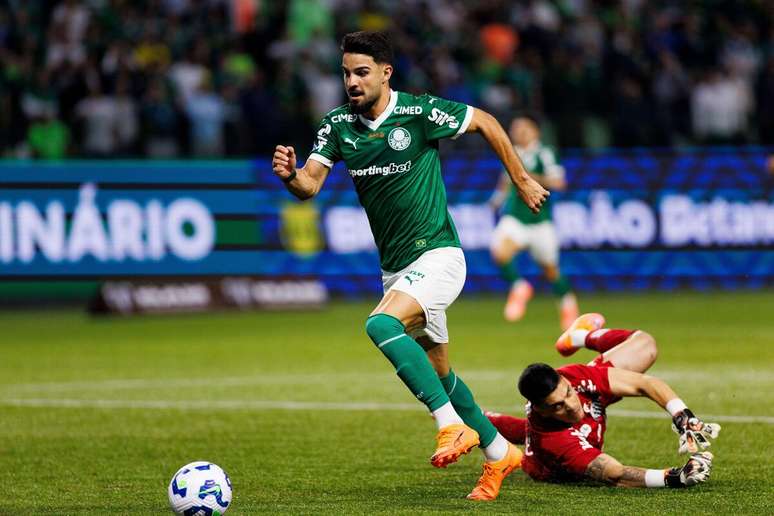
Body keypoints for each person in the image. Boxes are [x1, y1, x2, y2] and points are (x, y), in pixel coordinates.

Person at [272, 31, 549, 501]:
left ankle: (449, 426)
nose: (352, 82)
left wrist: (521, 179)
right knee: (440, 374)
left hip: (439, 255)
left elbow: (484, 121)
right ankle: (501, 451)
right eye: (345, 73)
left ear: (385, 72)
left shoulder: (418, 113)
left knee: (380, 324)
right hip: (397, 269)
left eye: (361, 72)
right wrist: (291, 176)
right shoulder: (338, 125)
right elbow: (310, 185)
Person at [485, 313, 721, 487]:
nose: (572, 405)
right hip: (546, 460)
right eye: (558, 406)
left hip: (573, 406)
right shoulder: (555, 442)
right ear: (539, 410)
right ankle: (472, 420)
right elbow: (614, 473)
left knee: (645, 345)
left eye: (567, 393)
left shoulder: (573, 378)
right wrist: (673, 477)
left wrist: (682, 415)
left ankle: (579, 336)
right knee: (510, 430)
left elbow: (644, 383)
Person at [489, 114, 578, 329]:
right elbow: (505, 183)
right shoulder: (512, 152)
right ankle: (519, 287)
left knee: (550, 271)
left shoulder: (545, 153)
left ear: (535, 131)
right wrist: (496, 200)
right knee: (499, 252)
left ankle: (568, 304)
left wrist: (528, 176)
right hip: (516, 218)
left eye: (523, 128)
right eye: (514, 128)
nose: (518, 132)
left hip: (540, 221)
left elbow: (559, 183)